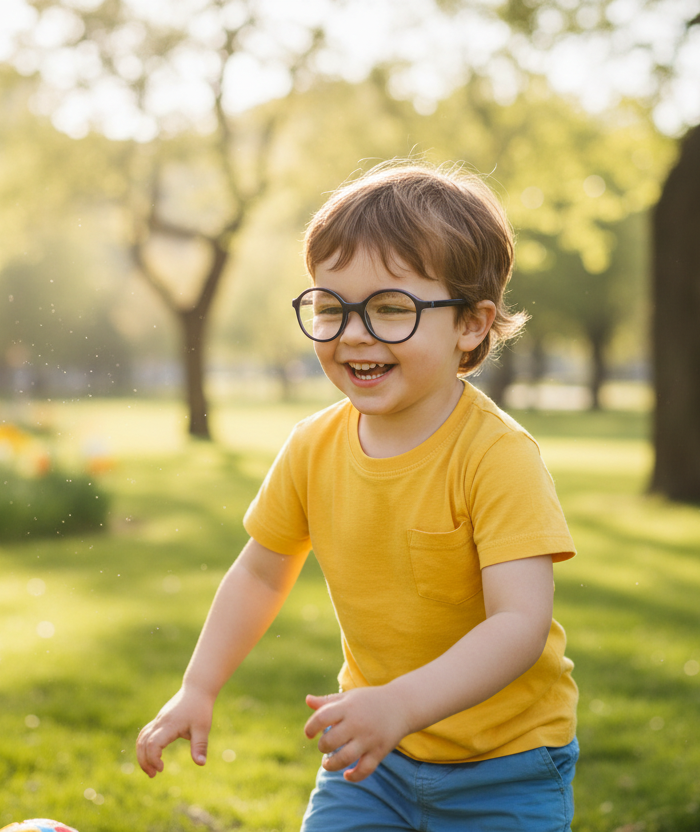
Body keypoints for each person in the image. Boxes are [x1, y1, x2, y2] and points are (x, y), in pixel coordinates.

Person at [136, 161, 579, 831]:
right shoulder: (313, 446)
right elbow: (260, 573)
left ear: (470, 324)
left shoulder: (496, 456)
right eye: (330, 308)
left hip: (506, 764)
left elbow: (518, 624)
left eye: (391, 309)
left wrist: (399, 704)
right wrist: (198, 686)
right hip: (375, 763)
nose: (353, 333)